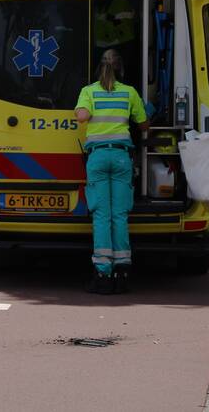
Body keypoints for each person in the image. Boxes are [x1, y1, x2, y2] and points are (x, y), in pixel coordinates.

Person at [75, 49, 150, 294]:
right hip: (121, 158)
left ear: (99, 68)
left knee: (101, 216)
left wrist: (84, 110)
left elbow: (82, 117)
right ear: (121, 69)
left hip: (97, 158)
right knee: (119, 215)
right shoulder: (129, 93)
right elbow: (143, 124)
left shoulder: (89, 92)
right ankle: (122, 271)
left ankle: (102, 274)